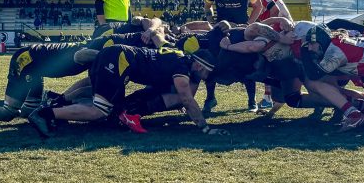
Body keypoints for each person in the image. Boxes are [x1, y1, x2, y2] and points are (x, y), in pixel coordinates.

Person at [28, 45, 226, 137]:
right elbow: (187, 99)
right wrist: (204, 127)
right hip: (119, 60)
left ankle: (58, 104)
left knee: (102, 97)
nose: (208, 77)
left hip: (117, 57)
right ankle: (45, 114)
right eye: (208, 72)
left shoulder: (180, 58)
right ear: (200, 66)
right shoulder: (182, 70)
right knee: (100, 111)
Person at [203, 0, 263, 113]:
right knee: (211, 61)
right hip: (221, 30)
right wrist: (211, 21)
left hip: (240, 30)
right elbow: (207, 6)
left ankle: (251, 100)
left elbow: (258, 6)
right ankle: (210, 99)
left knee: (247, 62)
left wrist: (248, 25)